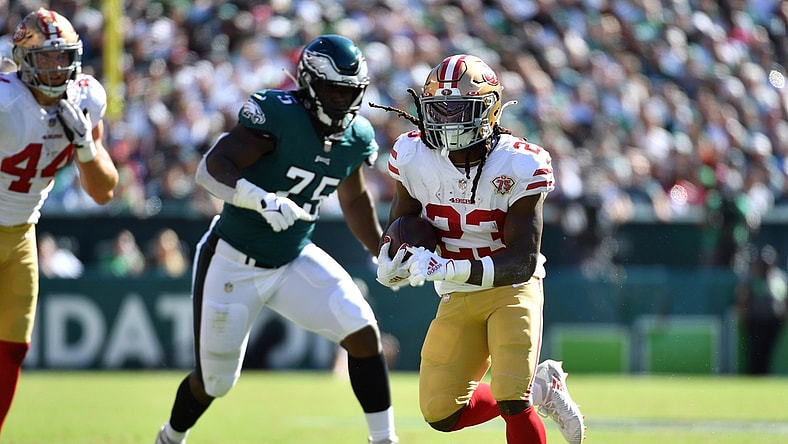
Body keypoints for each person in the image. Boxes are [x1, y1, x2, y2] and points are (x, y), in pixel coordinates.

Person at [155, 35, 398, 444]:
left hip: (292, 258)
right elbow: (211, 169)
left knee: (362, 330)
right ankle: (170, 437)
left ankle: (384, 440)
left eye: (350, 93)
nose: (342, 102)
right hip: (233, 259)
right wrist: (260, 198)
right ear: (309, 83)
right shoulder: (278, 115)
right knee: (214, 382)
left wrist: (384, 252)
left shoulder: (355, 136)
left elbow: (354, 198)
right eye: (334, 91)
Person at [373, 55, 585, 443]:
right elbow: (402, 224)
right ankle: (544, 389)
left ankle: (528, 393)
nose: (447, 120)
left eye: (460, 110)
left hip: (510, 288)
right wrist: (390, 262)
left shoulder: (519, 162)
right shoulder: (412, 154)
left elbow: (522, 261)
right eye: (439, 109)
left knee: (511, 398)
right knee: (440, 411)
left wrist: (447, 269)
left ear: (489, 110)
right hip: (459, 293)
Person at [0, 8, 118, 436]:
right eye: (47, 58)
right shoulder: (5, 101)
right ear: (24, 59)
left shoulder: (86, 97)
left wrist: (85, 144)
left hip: (22, 234)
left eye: (64, 56)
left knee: (12, 348)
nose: (57, 68)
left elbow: (104, 190)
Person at [736, 244, 788, 375]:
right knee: (755, 350)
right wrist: (743, 313)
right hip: (756, 321)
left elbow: (784, 298)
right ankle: (753, 375)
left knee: (768, 350)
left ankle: (764, 375)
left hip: (774, 322)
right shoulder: (753, 277)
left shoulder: (780, 277)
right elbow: (743, 296)